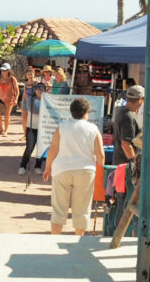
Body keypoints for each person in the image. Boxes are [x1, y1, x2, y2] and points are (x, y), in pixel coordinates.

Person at [43, 97, 104, 235]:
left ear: (71, 112)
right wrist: (100, 172)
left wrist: (48, 167)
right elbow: (100, 155)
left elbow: (53, 149)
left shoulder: (62, 127)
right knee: (82, 209)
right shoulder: (93, 129)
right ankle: (79, 239)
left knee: (59, 208)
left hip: (62, 169)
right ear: (87, 112)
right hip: (86, 170)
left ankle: (55, 238)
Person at [112, 85, 144, 225]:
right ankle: (118, 233)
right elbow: (126, 144)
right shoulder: (128, 116)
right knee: (125, 201)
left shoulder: (122, 111)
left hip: (121, 163)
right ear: (140, 100)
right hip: (125, 165)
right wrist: (134, 164)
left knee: (122, 200)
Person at [19, 75, 48, 175]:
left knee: (41, 148)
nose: (40, 91)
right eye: (38, 89)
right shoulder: (30, 99)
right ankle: (23, 165)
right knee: (29, 148)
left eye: (42, 89)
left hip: (43, 128)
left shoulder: (48, 100)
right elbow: (33, 110)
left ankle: (38, 166)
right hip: (31, 127)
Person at [0, 63, 19, 136]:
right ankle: (0, 128)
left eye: (4, 70)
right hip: (1, 98)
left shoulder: (12, 79)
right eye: (2, 70)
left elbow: (17, 90)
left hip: (9, 99)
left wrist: (16, 99)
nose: (2, 71)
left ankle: (6, 130)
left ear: (8, 71)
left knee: (6, 115)